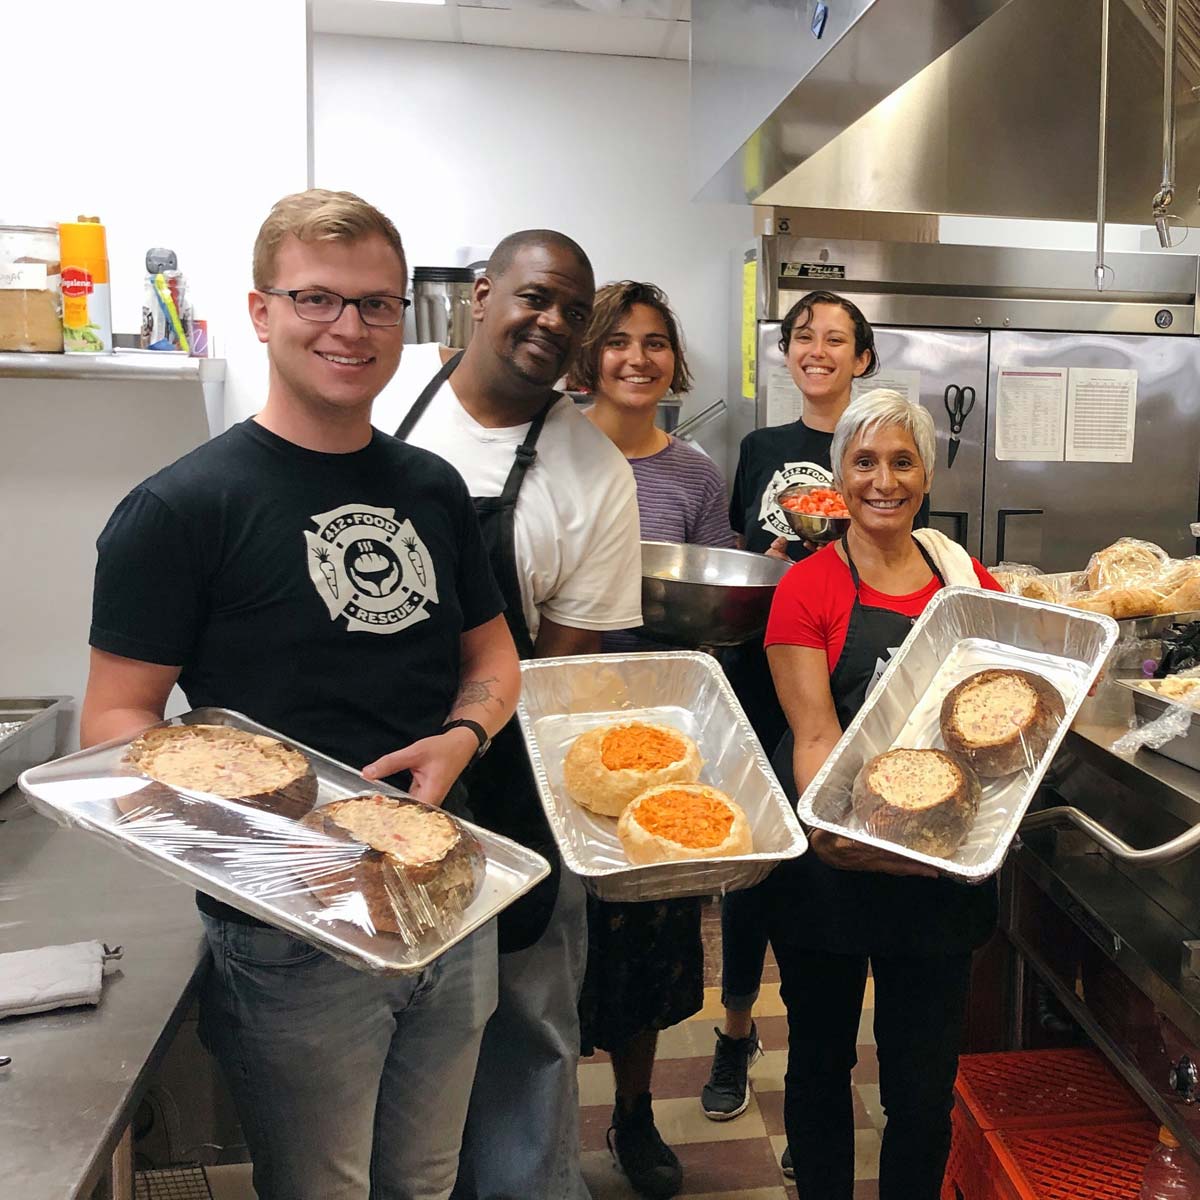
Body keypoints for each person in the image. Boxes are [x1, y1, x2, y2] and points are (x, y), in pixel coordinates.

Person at [80, 189, 522, 1200]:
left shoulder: (432, 488)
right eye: (318, 299)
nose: (349, 328)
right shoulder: (180, 509)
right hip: (293, 933)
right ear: (260, 310)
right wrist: (257, 848)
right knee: (322, 1188)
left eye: (376, 305)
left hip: (448, 891)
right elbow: (117, 721)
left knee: (425, 1180)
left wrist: (465, 734)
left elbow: (493, 659)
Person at [372, 232, 642, 1200]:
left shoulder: (596, 476)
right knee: (377, 1051)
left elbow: (560, 673)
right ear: (481, 296)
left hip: (512, 794)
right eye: (536, 299)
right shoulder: (381, 388)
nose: (554, 324)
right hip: (362, 777)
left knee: (527, 1041)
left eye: (575, 312)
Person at [763, 389, 1002, 1199]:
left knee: (922, 1086)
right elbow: (816, 736)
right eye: (864, 462)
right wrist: (847, 840)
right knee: (821, 1064)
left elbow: (1001, 718)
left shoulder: (969, 585)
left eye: (902, 461)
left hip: (938, 867)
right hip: (831, 855)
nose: (883, 481)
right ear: (840, 476)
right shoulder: (807, 588)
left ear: (926, 475)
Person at [703, 292, 892, 1156]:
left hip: (851, 678)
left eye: (837, 340)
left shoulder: (881, 443)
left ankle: (842, 1069)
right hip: (763, 671)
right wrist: (769, 564)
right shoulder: (761, 449)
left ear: (862, 358)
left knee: (847, 869)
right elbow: (745, 557)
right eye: (804, 338)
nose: (817, 351)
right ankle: (736, 1032)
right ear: (787, 354)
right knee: (760, 869)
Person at [567, 280, 735, 1199]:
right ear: (590, 354)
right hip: (550, 720)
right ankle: (542, 1125)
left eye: (657, 342)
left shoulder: (695, 475)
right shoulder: (547, 453)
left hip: (656, 729)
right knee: (547, 948)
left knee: (642, 942)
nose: (638, 358)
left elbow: (712, 591)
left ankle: (633, 1116)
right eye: (620, 340)